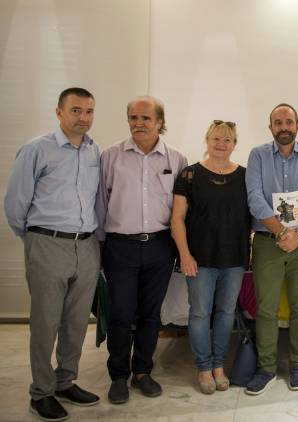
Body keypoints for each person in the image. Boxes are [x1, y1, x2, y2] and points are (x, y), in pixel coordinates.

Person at [4, 87, 102, 421]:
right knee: (45, 322)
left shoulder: (93, 150)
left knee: (76, 322)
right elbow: (16, 204)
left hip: (86, 245)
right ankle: (41, 392)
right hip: (47, 242)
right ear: (58, 112)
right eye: (75, 111)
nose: (83, 118)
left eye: (88, 111)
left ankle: (65, 381)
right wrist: (35, 239)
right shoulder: (36, 150)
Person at [96, 96, 188, 404]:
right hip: (120, 246)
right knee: (121, 313)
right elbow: (100, 203)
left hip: (160, 246)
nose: (139, 123)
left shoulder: (177, 159)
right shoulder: (110, 156)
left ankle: (143, 372)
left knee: (151, 314)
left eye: (147, 118)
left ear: (161, 122)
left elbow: (182, 209)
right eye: (134, 117)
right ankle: (118, 376)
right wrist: (98, 246)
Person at [245, 103, 298, 394]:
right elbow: (254, 197)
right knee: (266, 309)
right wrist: (280, 232)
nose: (284, 127)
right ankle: (266, 368)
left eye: (289, 122)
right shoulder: (257, 155)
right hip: (267, 241)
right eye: (278, 122)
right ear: (270, 127)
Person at [171, 120, 250, 394]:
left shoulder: (245, 176)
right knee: (200, 313)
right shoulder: (189, 175)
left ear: (234, 144)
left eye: (227, 140)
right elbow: (177, 218)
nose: (221, 144)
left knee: (226, 313)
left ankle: (219, 365)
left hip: (234, 259)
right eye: (216, 138)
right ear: (207, 140)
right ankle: (203, 367)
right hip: (200, 259)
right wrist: (185, 254)